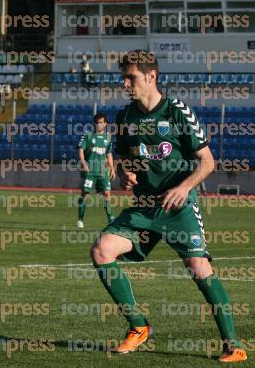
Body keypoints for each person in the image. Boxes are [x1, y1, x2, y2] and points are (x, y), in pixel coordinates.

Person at [90, 50, 247, 362]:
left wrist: (185, 186)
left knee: (199, 269)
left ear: (151, 76)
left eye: (131, 77)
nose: (125, 83)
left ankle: (233, 345)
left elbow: (208, 162)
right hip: (145, 207)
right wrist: (125, 173)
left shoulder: (177, 112)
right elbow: (124, 159)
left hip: (179, 208)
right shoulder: (124, 118)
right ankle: (138, 326)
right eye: (123, 77)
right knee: (101, 250)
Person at [77, 113, 115, 228]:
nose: (98, 125)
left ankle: (111, 218)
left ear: (105, 124)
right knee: (85, 194)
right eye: (96, 122)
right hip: (90, 171)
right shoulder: (88, 135)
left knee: (107, 193)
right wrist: (83, 162)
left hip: (103, 171)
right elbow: (80, 149)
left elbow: (109, 154)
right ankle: (80, 219)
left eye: (101, 122)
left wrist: (112, 169)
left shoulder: (108, 137)